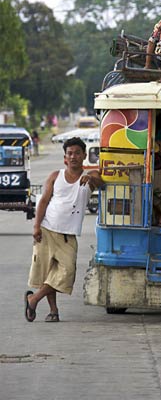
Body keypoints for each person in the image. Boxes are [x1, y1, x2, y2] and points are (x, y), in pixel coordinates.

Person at [24, 137, 104, 323]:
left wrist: (91, 178)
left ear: (84, 155)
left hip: (69, 235)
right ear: (65, 158)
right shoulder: (55, 176)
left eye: (77, 153)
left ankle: (33, 299)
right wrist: (36, 225)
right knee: (47, 272)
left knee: (67, 272)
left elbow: (101, 182)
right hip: (47, 230)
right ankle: (53, 311)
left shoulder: (90, 176)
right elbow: (43, 201)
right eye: (70, 153)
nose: (74, 156)